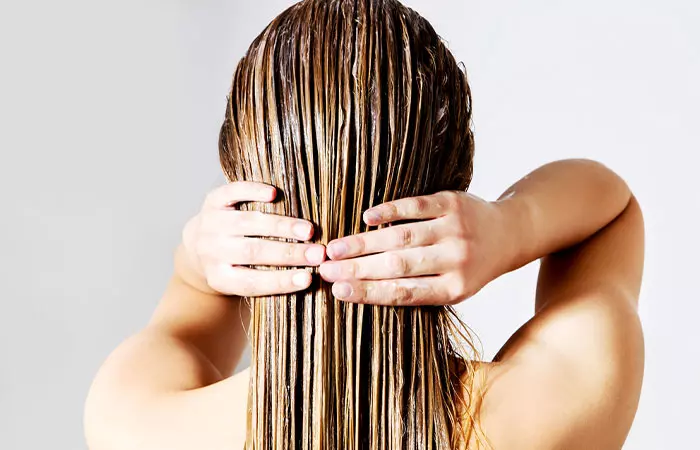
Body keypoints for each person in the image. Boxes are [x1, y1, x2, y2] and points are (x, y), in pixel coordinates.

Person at [83, 1, 645, 449]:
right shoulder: (549, 413)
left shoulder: (139, 424)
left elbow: (182, 325)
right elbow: (611, 209)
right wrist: (512, 225)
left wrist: (196, 262)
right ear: (452, 189)